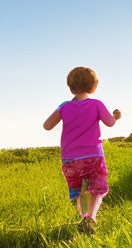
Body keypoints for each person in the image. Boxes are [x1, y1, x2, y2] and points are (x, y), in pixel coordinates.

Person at [43, 66, 121, 235]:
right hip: (93, 156)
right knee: (98, 189)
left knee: (79, 191)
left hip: (70, 159)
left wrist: (61, 109)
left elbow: (47, 126)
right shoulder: (96, 104)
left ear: (70, 86)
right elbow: (109, 123)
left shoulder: (64, 107)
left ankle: (84, 215)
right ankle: (90, 217)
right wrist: (115, 116)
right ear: (94, 86)